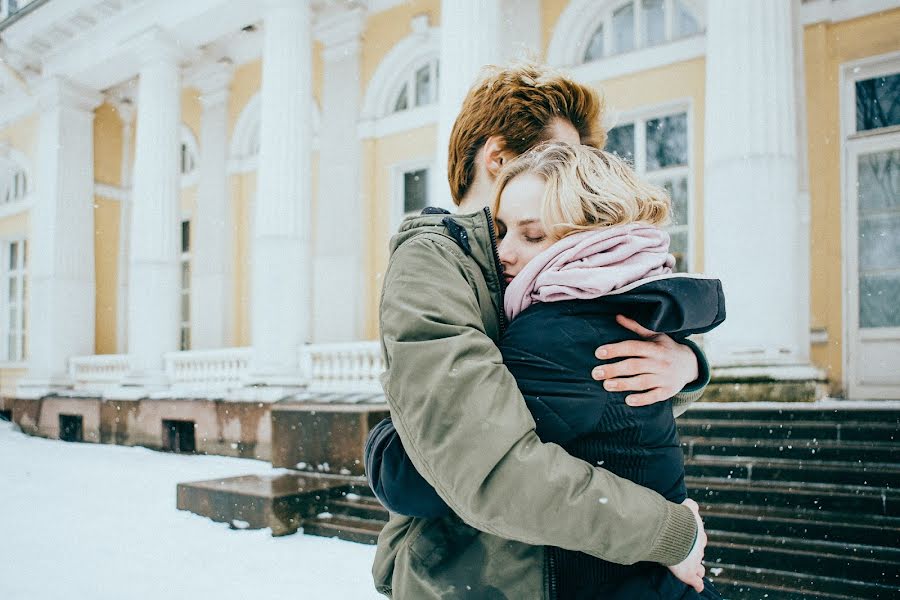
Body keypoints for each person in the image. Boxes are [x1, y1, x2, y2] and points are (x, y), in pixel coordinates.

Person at [369, 63, 711, 599]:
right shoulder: (437, 258)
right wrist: (668, 532)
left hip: (560, 565)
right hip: (476, 574)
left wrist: (685, 365)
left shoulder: (553, 274)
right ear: (499, 158)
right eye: (554, 158)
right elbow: (479, 467)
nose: (566, 175)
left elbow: (592, 398)